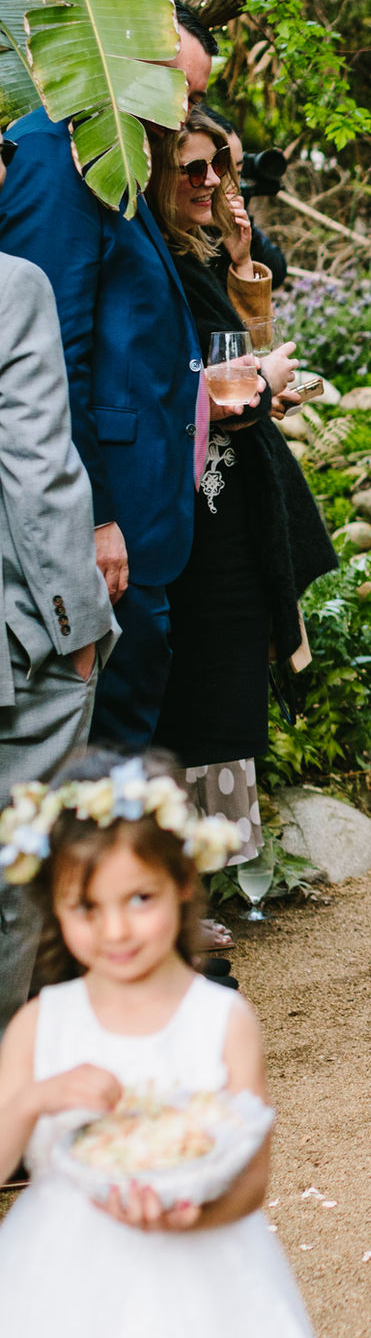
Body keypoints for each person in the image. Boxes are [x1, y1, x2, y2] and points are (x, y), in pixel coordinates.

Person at [0, 749, 371, 1338]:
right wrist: (37, 1097)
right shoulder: (43, 1024)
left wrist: (196, 1209)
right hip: (64, 1282)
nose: (116, 930)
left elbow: (251, 1172)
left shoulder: (221, 1019)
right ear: (56, 906)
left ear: (184, 884)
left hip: (208, 1275)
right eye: (87, 907)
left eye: (138, 899)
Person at [0, 0, 217, 751]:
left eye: (194, 98)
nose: (185, 114)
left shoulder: (123, 155)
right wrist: (88, 520)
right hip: (101, 528)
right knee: (95, 767)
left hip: (144, 518)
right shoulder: (58, 158)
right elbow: (45, 361)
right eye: (179, 90)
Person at [147, 110, 335, 850]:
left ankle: (206, 872)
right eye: (192, 168)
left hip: (228, 480)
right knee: (197, 683)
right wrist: (256, 380)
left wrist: (239, 253)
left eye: (218, 168)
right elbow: (196, 375)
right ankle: (179, 872)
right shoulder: (156, 260)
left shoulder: (199, 254)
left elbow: (236, 350)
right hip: (194, 496)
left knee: (224, 677)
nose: (211, 182)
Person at [0, 256, 117, 1029]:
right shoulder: (12, 285)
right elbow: (35, 464)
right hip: (13, 648)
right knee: (12, 883)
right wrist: (76, 624)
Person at [203, 104, 289, 288]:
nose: (233, 184)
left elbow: (277, 271)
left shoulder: (229, 226)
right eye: (222, 170)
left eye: (239, 172)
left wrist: (242, 238)